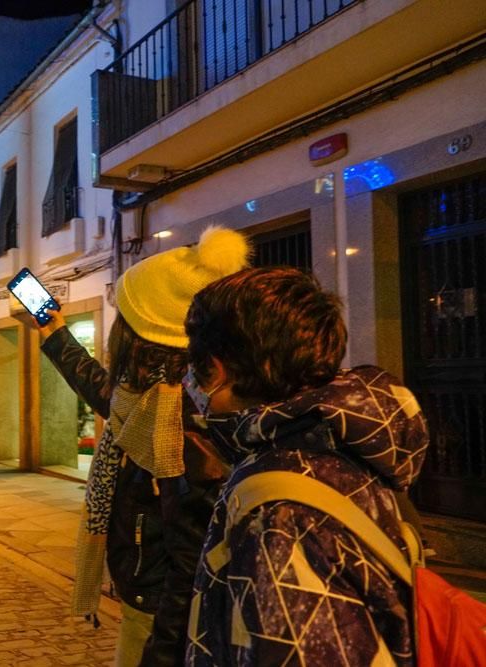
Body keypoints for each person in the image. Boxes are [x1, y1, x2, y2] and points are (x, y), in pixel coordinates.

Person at [182, 267, 428, 666]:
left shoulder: (278, 511)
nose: (190, 379)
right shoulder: (341, 445)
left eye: (195, 363)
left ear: (218, 366)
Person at [36, 227, 250, 666]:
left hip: (159, 610)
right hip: (150, 593)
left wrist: (162, 648)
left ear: (143, 334)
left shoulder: (178, 419)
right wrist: (56, 333)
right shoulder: (160, 397)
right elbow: (110, 397)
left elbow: (190, 559)